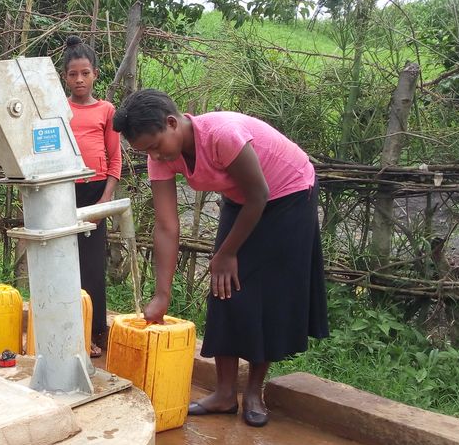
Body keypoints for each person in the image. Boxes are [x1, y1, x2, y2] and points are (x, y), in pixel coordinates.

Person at [112, 89, 328, 427]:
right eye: (146, 151)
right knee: (224, 288)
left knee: (267, 294)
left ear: (172, 123)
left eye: (155, 146)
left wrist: (226, 252)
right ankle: (225, 394)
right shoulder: (160, 157)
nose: (155, 156)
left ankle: (254, 392)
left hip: (288, 194)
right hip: (244, 200)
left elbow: (260, 194)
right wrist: (161, 295)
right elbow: (167, 226)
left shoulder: (222, 134)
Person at [62, 36, 122, 357]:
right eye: (73, 74)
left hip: (96, 192)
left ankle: (94, 332)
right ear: (65, 78)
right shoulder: (58, 109)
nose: (79, 79)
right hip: (65, 190)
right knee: (64, 261)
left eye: (85, 73)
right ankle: (68, 329)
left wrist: (105, 200)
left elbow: (115, 160)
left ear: (95, 74)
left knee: (92, 264)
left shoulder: (106, 110)